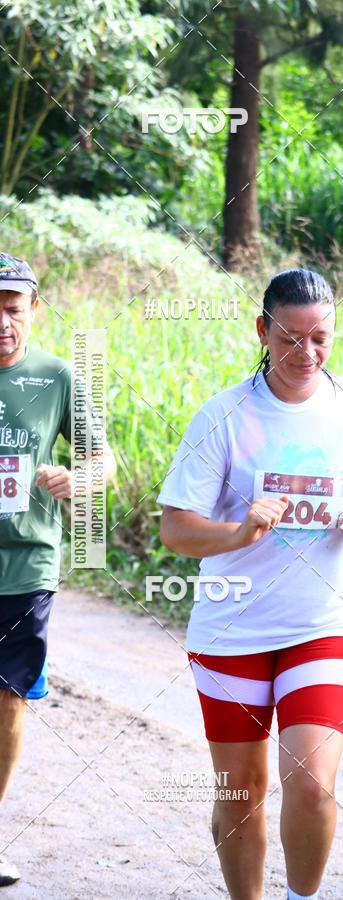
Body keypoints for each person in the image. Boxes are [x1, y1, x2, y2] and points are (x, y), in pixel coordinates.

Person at [158, 268, 343, 900]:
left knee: (313, 782)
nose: (307, 354)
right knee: (241, 789)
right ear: (263, 331)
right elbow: (177, 530)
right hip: (231, 625)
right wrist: (236, 534)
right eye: (291, 338)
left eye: (321, 339)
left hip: (324, 623)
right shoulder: (225, 415)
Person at [0, 253, 116, 886]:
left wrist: (79, 477)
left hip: (26, 563)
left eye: (13, 310)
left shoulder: (58, 377)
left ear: (33, 311)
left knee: (8, 695)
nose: (2, 323)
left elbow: (104, 462)